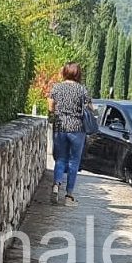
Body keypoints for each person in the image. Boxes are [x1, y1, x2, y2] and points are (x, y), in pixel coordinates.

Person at [48, 62, 92, 206]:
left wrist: (55, 115)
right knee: (74, 162)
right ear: (78, 74)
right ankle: (69, 196)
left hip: (60, 127)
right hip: (77, 129)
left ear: (65, 72)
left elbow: (50, 105)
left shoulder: (57, 87)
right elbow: (90, 107)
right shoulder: (82, 90)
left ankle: (56, 185)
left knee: (60, 159)